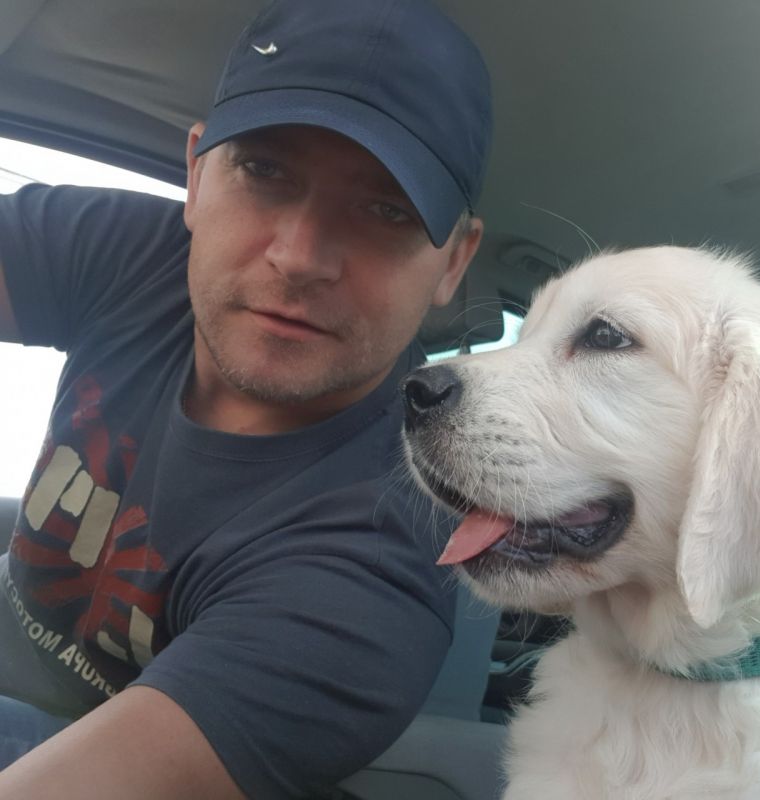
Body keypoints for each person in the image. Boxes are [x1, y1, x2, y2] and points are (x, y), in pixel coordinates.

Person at [0, 0, 491, 796]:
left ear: (454, 264)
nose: (299, 257)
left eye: (385, 210)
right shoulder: (132, 256)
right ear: (196, 176)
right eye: (264, 171)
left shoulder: (375, 567)